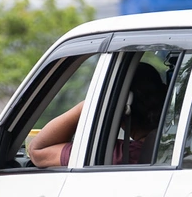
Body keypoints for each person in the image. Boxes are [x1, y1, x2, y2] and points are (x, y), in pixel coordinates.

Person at [28, 63, 166, 167]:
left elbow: (37, 151)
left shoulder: (117, 154)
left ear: (122, 109)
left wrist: (94, 103)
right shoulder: (176, 150)